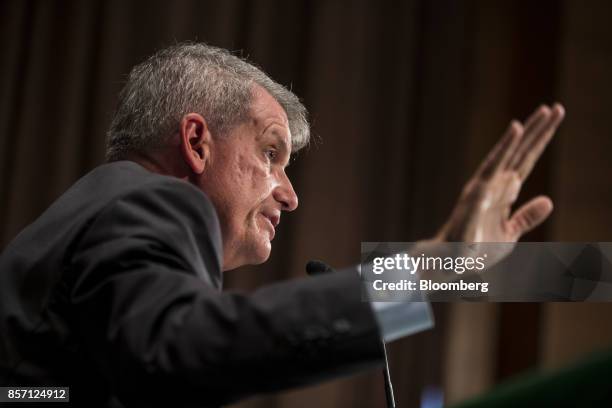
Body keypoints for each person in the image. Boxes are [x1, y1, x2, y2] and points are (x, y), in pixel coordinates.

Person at [0, 43, 565, 407]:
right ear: (197, 142)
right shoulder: (150, 201)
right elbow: (180, 353)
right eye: (271, 154)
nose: (290, 197)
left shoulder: (94, 212)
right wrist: (428, 272)